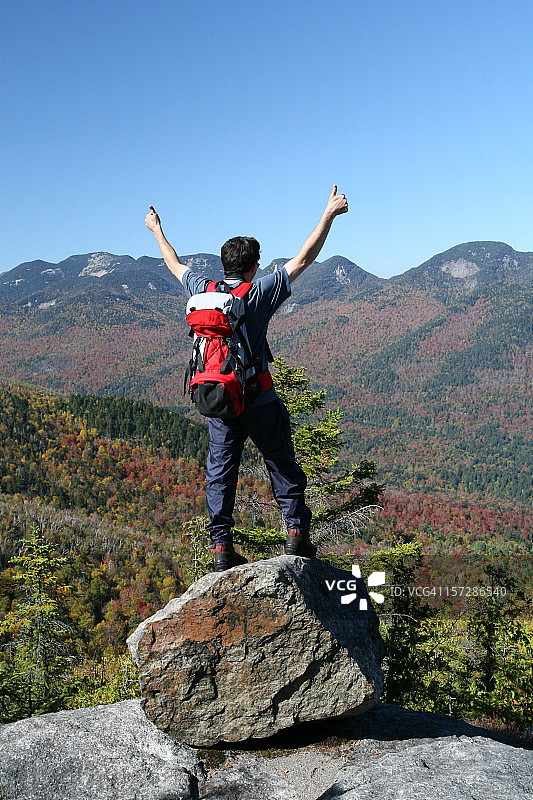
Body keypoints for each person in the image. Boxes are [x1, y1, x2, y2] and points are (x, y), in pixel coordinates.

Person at [145, 186, 348, 571]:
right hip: (258, 398)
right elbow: (304, 258)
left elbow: (174, 266)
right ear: (253, 266)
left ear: (224, 265)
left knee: (219, 473)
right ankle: (296, 534)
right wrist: (329, 214)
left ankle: (221, 547)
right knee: (280, 461)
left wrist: (156, 229)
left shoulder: (203, 290)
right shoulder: (256, 294)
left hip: (218, 400)